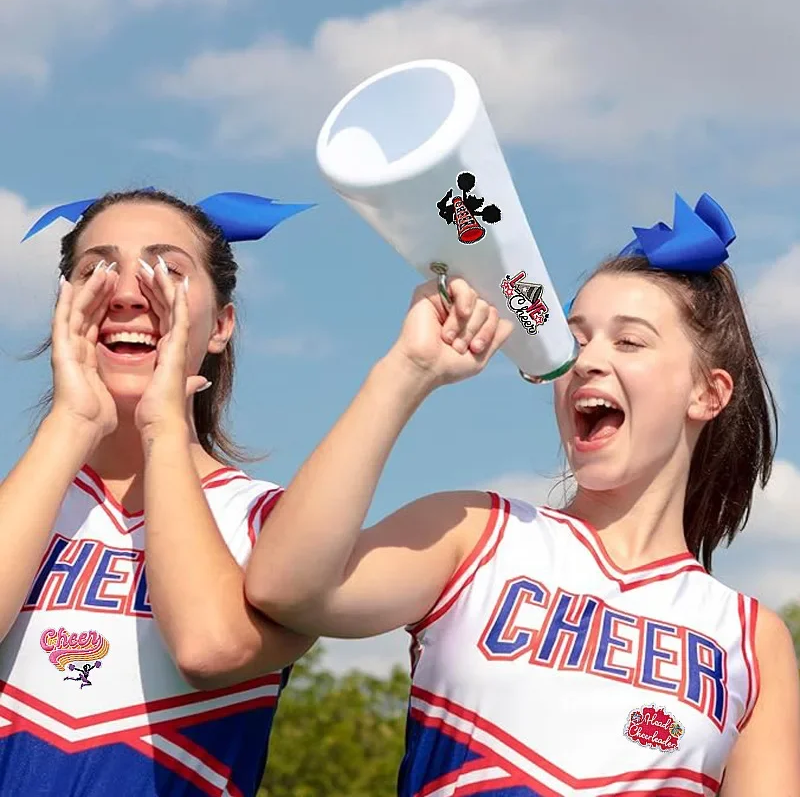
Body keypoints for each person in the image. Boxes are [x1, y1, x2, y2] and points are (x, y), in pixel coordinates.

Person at [245, 193, 800, 795]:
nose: (587, 361)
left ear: (708, 394)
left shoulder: (750, 639)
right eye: (575, 340)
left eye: (629, 342)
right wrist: (407, 370)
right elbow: (284, 587)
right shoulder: (472, 532)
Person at [0, 188, 316, 796]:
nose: (126, 293)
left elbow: (208, 647)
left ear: (220, 325)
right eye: (95, 271)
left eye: (168, 271)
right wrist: (70, 423)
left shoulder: (270, 520)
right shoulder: (22, 503)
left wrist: (164, 428)